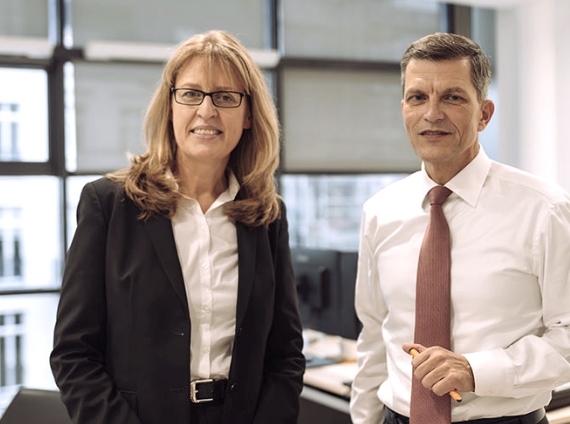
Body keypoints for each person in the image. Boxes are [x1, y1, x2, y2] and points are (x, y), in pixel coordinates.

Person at [50, 29, 305, 424]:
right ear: (169, 107)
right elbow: (73, 354)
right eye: (191, 94)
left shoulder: (267, 215)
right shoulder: (108, 204)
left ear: (249, 114)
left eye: (225, 97)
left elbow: (285, 352)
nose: (207, 111)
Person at [350, 32, 570, 424]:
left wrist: (476, 371)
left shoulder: (544, 209)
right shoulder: (379, 211)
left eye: (452, 97)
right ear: (403, 108)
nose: (432, 114)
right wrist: (364, 418)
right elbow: (373, 333)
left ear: (484, 114)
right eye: (418, 97)